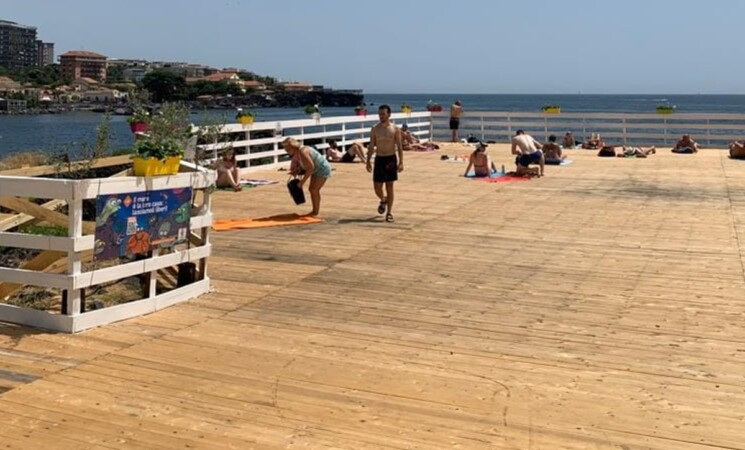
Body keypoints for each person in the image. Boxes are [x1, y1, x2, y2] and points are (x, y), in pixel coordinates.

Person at [367, 104, 403, 222]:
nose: (381, 116)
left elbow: (399, 146)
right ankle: (383, 200)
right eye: (379, 114)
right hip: (379, 158)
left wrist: (401, 162)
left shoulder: (395, 129)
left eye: (383, 114)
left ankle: (389, 212)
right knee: (377, 187)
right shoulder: (375, 128)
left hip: (390, 159)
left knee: (389, 186)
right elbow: (371, 146)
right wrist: (368, 161)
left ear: (389, 115)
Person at [282, 137, 332, 217]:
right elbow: (306, 165)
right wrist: (297, 170)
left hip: (322, 169)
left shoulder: (303, 152)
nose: (287, 152)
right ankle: (315, 211)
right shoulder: (299, 152)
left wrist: (302, 183)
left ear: (293, 147)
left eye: (288, 150)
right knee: (312, 189)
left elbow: (311, 168)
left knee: (314, 190)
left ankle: (315, 212)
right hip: (317, 168)